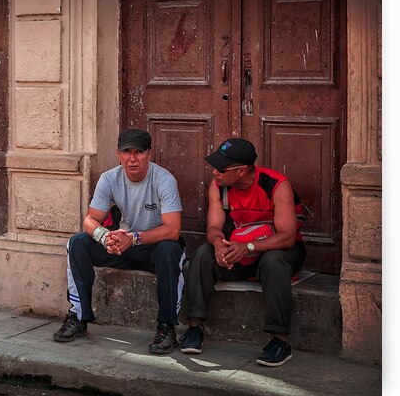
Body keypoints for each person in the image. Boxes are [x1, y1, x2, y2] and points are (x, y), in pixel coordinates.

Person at [53, 128, 185, 355]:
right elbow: (90, 220)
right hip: (122, 245)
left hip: (151, 247)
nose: (132, 159)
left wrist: (135, 238)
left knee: (170, 249)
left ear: (149, 154)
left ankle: (167, 327)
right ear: (118, 154)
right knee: (78, 243)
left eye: (139, 152)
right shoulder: (109, 178)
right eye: (126, 152)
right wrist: (105, 237)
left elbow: (173, 230)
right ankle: (78, 316)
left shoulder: (164, 180)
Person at [179, 138, 306, 367]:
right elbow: (214, 227)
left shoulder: (277, 185)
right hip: (239, 248)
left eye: (222, 169)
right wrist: (219, 244)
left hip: (279, 251)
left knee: (273, 262)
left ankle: (280, 340)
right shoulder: (218, 185)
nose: (215, 172)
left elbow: (287, 236)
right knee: (202, 255)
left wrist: (248, 247)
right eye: (215, 167)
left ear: (241, 170)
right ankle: (194, 327)